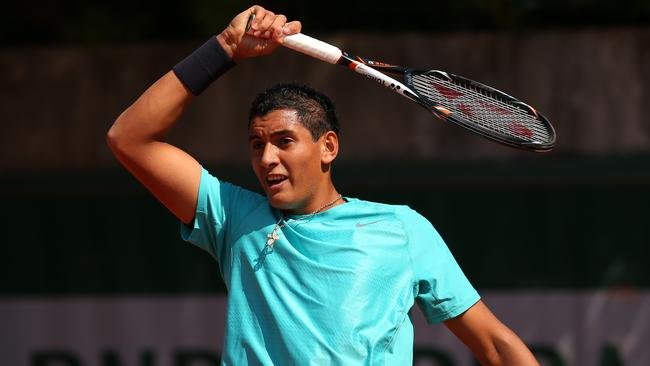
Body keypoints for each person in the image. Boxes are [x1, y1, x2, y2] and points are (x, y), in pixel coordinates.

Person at [107, 5, 539, 365]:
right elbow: (129, 138)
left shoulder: (402, 229)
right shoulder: (235, 219)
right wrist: (223, 49)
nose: (266, 158)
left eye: (283, 141)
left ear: (327, 147)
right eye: (256, 145)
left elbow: (496, 346)